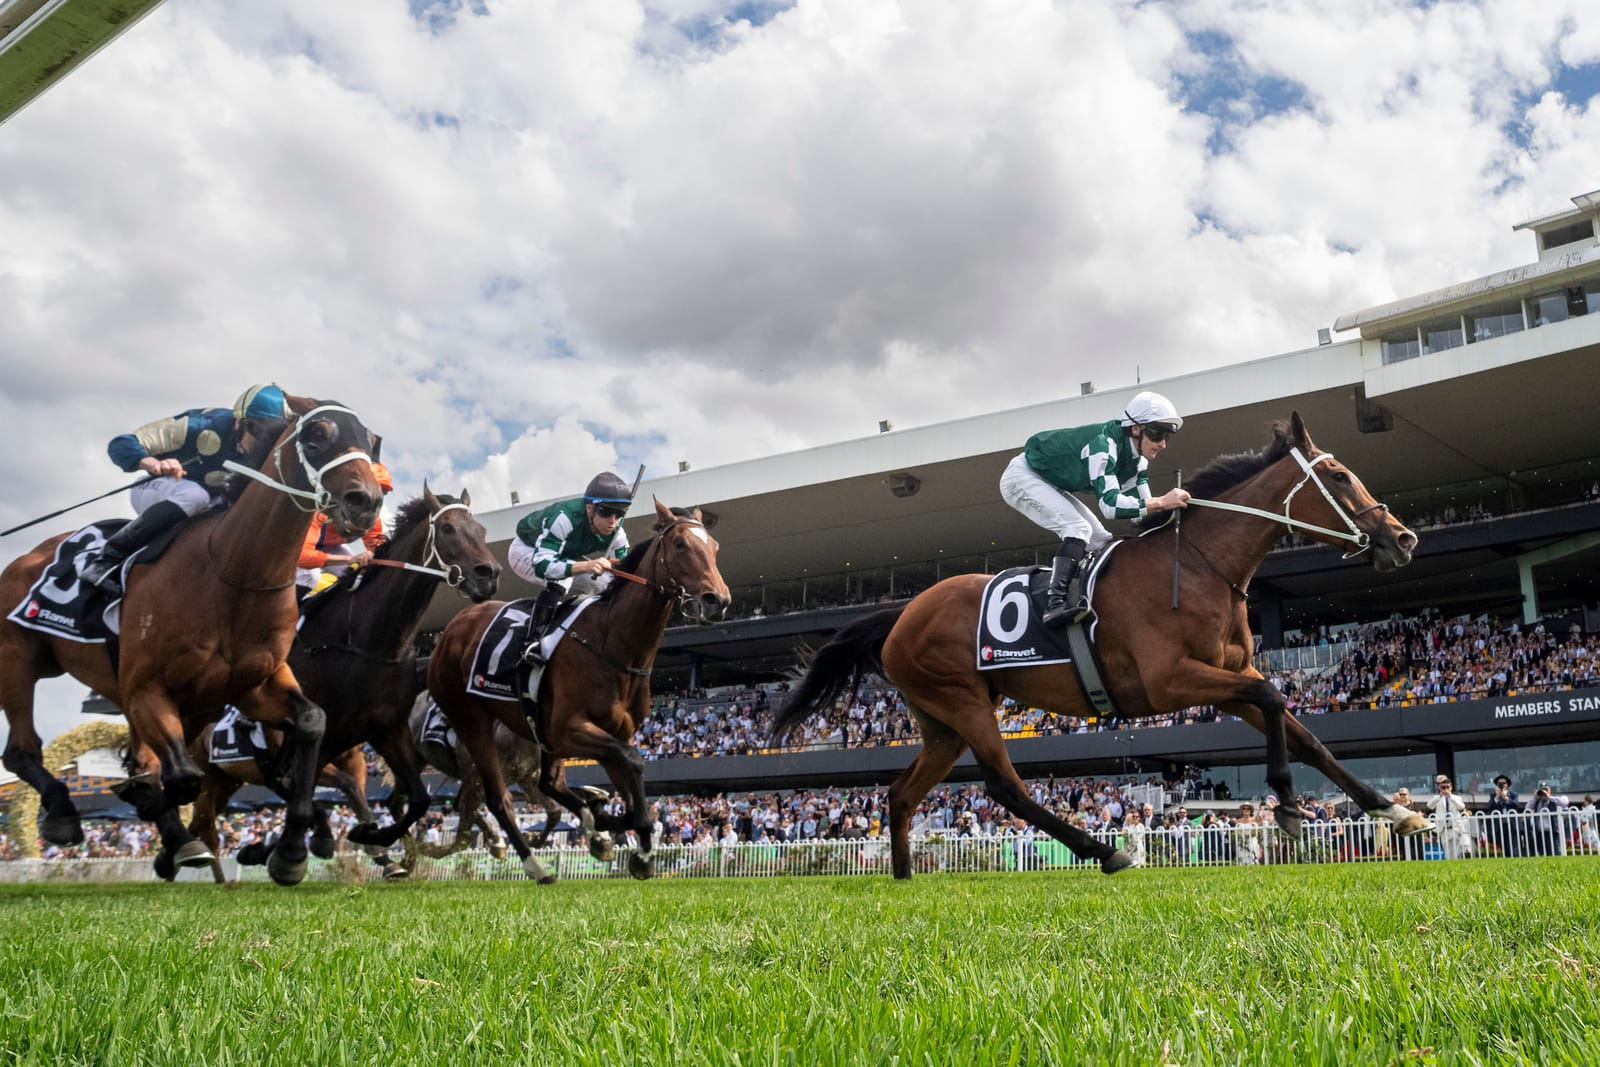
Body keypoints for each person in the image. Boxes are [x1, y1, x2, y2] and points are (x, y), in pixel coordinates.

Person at [999, 390, 1191, 626]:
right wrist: (1162, 501)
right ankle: (1055, 604)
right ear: (1135, 429)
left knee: (1101, 540)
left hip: (1049, 481)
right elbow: (1110, 506)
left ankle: (1092, 596)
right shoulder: (1103, 446)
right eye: (1157, 433)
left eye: (1166, 437)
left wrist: (1180, 509)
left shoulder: (1137, 462)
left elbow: (1141, 516)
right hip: (1021, 477)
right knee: (1077, 528)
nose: (1162, 443)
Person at [78, 384, 290, 592]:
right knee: (195, 495)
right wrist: (152, 463)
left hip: (212, 502)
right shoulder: (201, 424)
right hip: (157, 488)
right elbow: (121, 444)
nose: (264, 445)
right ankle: (106, 559)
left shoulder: (270, 454)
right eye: (258, 433)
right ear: (242, 423)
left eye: (273, 437)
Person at [508, 470, 633, 654]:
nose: (613, 522)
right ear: (590, 508)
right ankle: (534, 641)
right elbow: (543, 566)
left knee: (605, 583)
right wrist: (586, 566)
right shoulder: (564, 518)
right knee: (561, 579)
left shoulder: (617, 533)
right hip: (528, 551)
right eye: (606, 512)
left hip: (563, 555)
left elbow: (625, 575)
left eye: (619, 513)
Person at [296, 462, 394, 600]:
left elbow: (376, 545)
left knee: (355, 575)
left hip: (329, 547)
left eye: (382, 492)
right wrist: (349, 559)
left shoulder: (372, 520)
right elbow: (303, 558)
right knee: (310, 577)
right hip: (295, 547)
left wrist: (372, 554)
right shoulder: (321, 512)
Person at [1429, 775, 1473, 860]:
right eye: (1443, 787)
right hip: (1443, 829)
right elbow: (1429, 806)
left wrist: (1450, 796)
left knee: (1457, 852)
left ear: (1451, 787)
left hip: (1455, 828)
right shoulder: (1437, 798)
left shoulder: (1456, 797)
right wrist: (1440, 796)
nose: (1445, 789)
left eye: (1447, 787)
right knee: (1448, 853)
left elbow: (1461, 806)